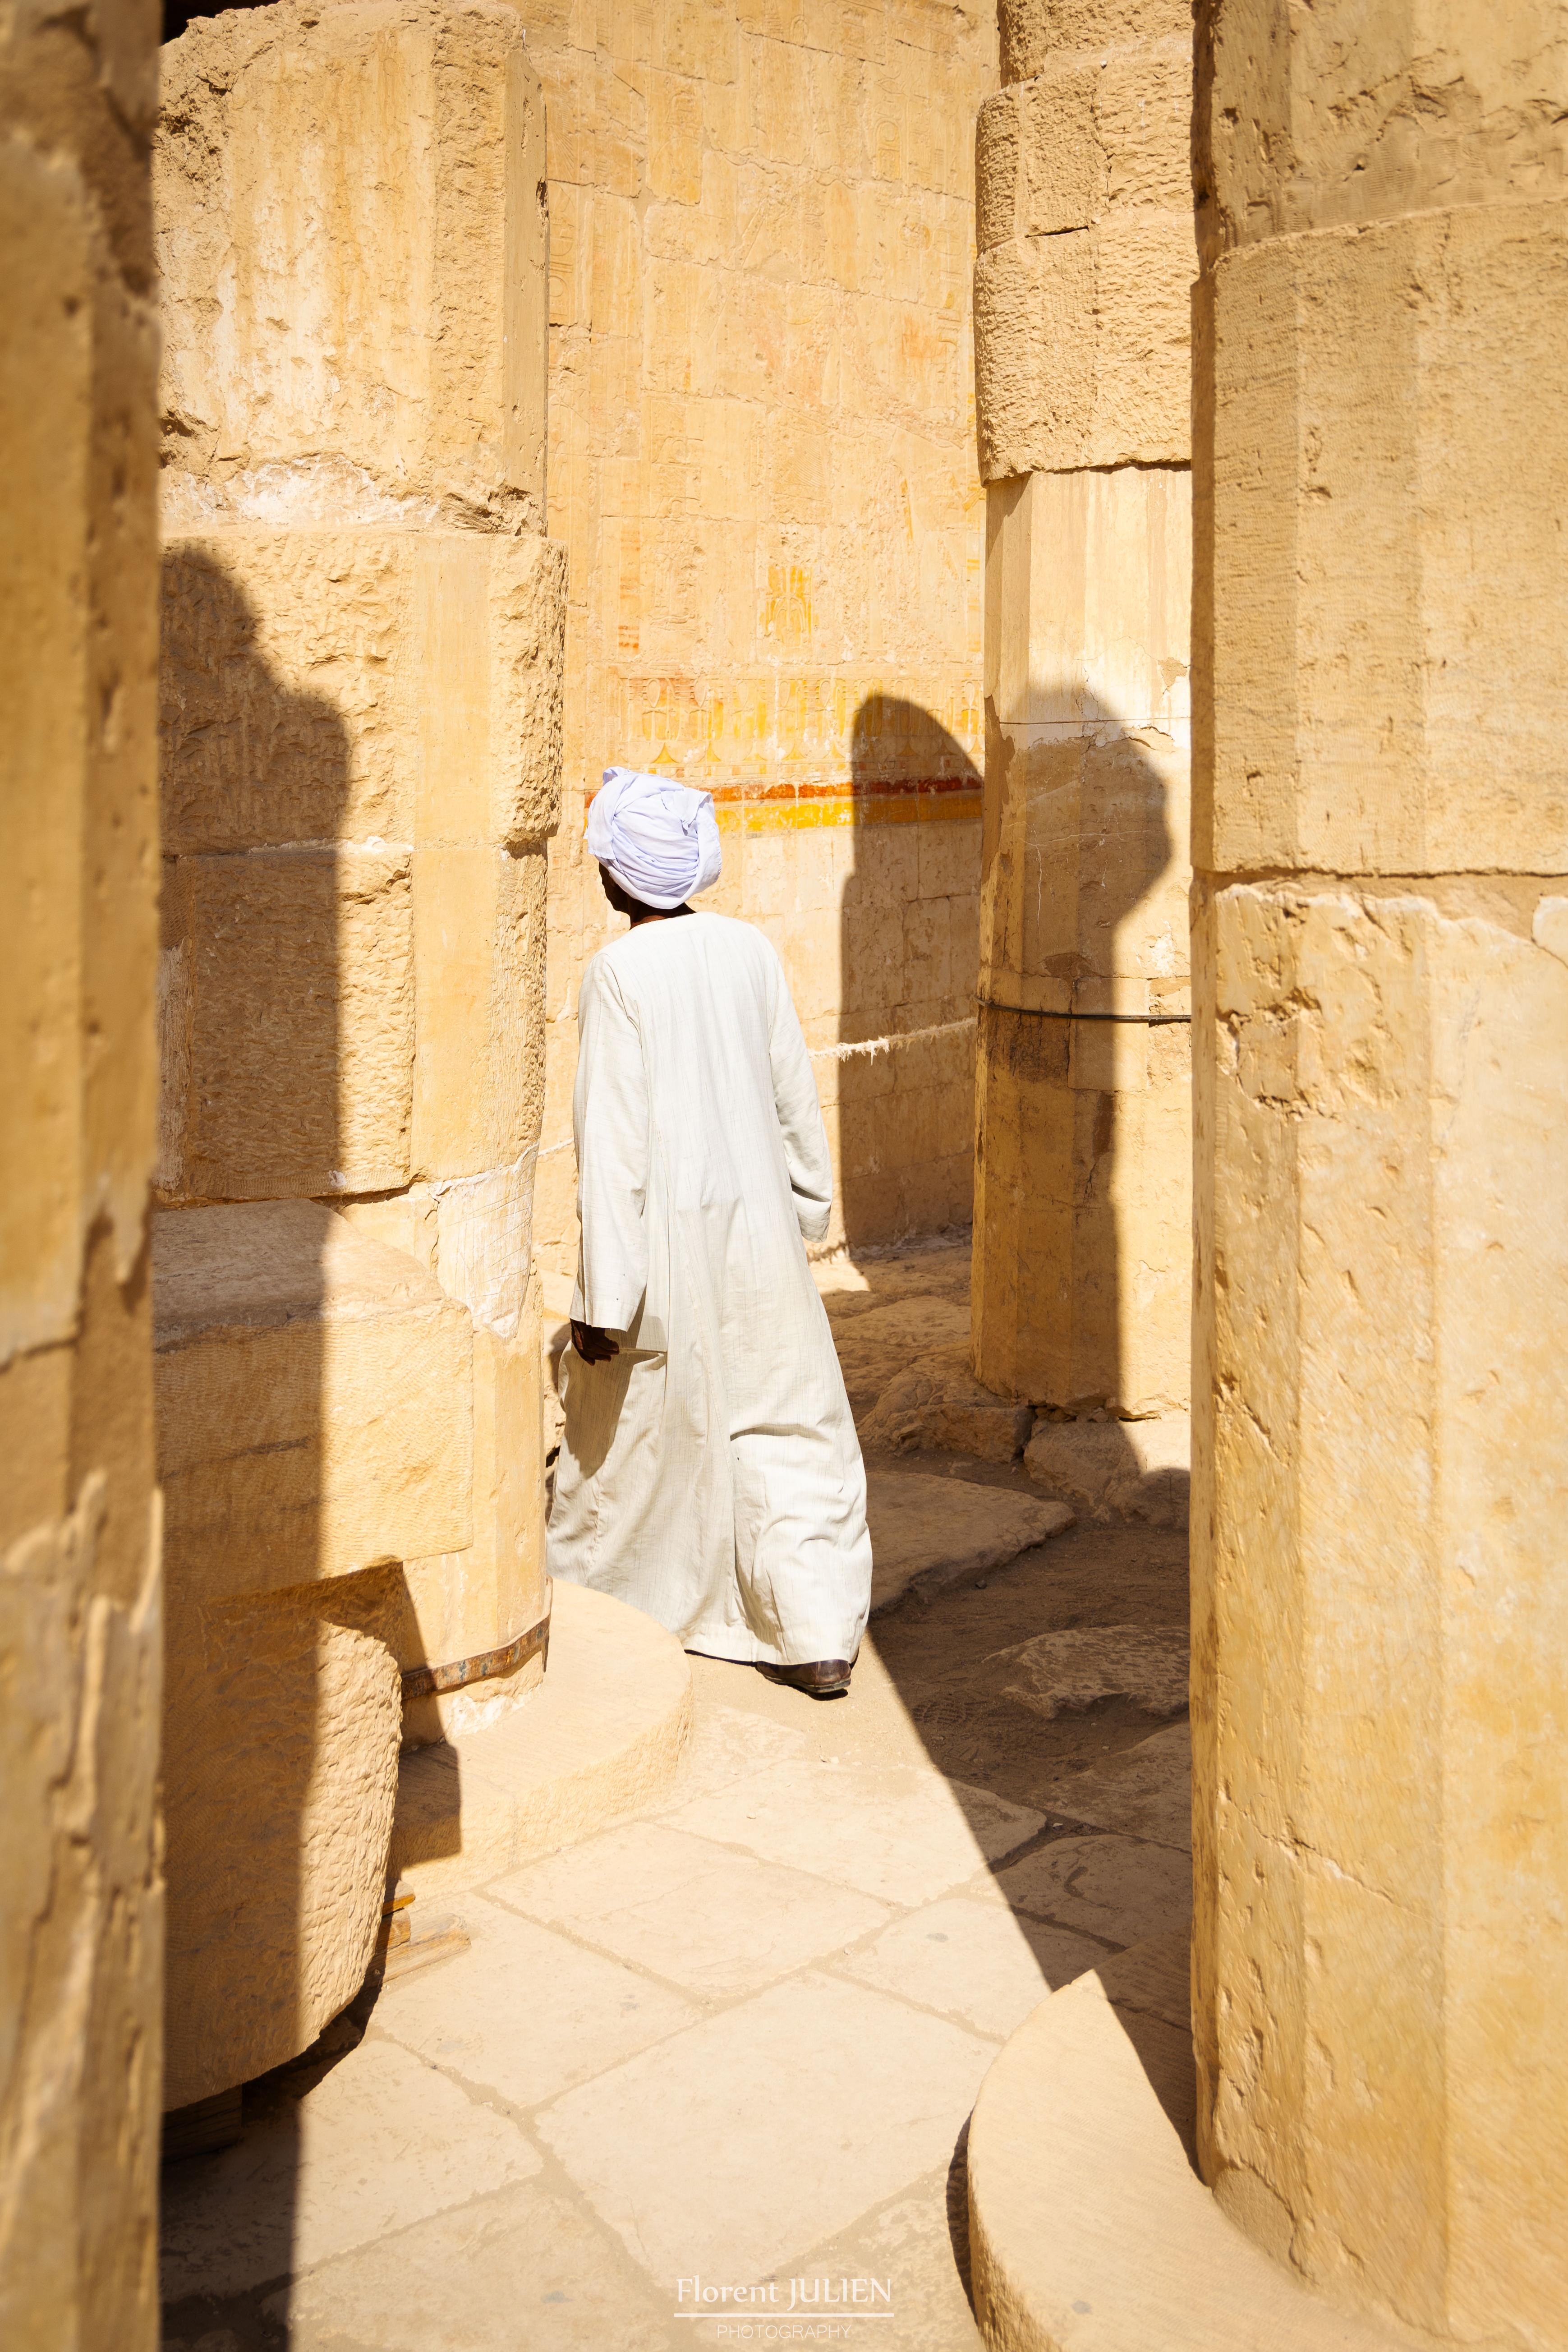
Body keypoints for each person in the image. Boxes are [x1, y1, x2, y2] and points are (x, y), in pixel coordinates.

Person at [547, 764, 873, 1697]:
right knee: (786, 1428)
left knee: (649, 1444)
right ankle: (813, 1634)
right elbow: (790, 1093)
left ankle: (622, 1609)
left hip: (665, 1250)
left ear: (624, 876)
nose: (598, 867)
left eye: (604, 853)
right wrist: (806, 1205)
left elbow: (611, 1146)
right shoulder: (749, 949)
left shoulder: (614, 973)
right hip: (759, 1235)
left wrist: (603, 1298)